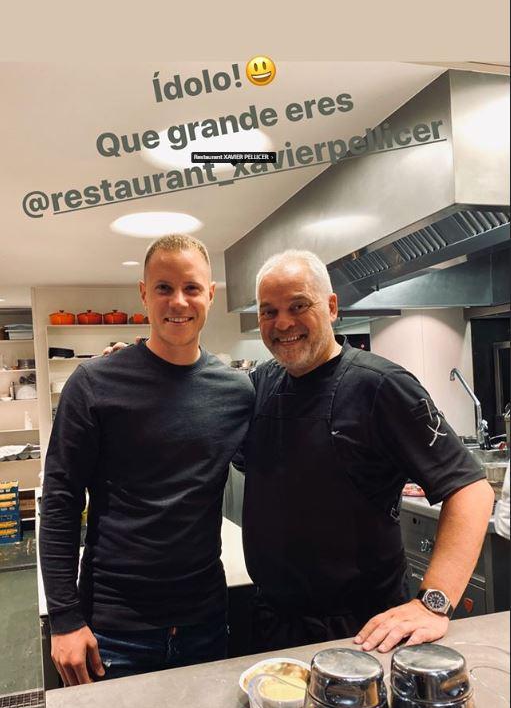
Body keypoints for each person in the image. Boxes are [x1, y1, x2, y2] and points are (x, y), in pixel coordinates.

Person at [238, 249, 494, 654]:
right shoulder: (260, 384)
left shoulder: (381, 385)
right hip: (273, 624)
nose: (283, 323)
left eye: (298, 305)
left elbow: (472, 490)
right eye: (269, 311)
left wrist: (434, 603)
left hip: (364, 631)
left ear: (332, 306)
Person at [39, 234, 254, 685]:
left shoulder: (236, 392)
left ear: (210, 295)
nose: (178, 301)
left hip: (206, 621)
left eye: (192, 288)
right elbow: (59, 502)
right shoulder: (94, 384)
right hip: (114, 630)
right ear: (143, 293)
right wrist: (64, 618)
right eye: (163, 288)